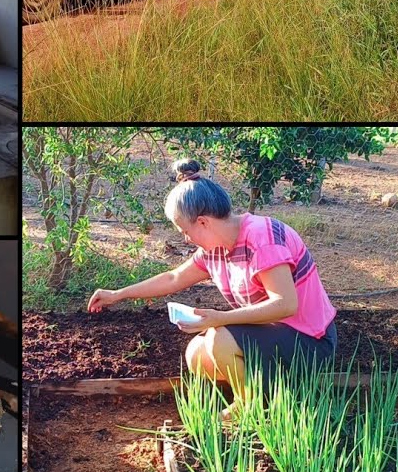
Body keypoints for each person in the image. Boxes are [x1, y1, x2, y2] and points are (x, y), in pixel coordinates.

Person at [87, 159, 338, 419]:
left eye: (186, 230)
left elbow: (286, 304)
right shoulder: (214, 250)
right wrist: (119, 294)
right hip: (273, 336)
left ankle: (250, 409)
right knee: (197, 354)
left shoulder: (262, 238)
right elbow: (174, 278)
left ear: (203, 222)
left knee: (219, 337)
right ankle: (268, 390)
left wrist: (221, 318)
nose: (186, 238)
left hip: (310, 341)